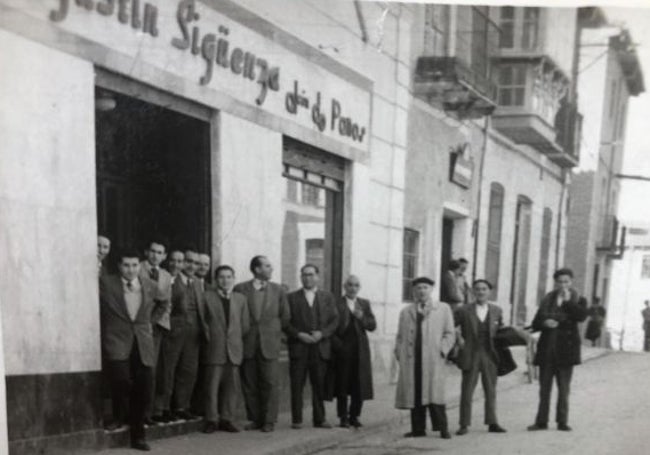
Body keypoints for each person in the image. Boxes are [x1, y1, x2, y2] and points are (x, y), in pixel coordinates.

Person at [99, 247, 166, 451]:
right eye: (126, 265)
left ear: (140, 265)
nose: (131, 270)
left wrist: (148, 322)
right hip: (117, 340)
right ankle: (120, 414)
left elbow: (164, 303)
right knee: (120, 380)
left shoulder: (151, 285)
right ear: (119, 266)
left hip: (143, 342)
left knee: (144, 388)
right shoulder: (106, 283)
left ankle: (138, 436)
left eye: (135, 265)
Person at [234, 255, 290, 432]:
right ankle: (255, 419)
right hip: (247, 343)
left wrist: (277, 337)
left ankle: (269, 420)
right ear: (257, 269)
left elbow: (285, 316)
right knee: (249, 383)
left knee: (270, 383)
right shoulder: (241, 288)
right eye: (267, 266)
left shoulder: (278, 290)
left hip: (269, 344)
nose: (271, 269)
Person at [395, 277, 456, 439]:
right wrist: (400, 353)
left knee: (435, 395)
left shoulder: (442, 309)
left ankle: (443, 428)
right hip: (412, 359)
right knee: (415, 394)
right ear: (414, 291)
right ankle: (418, 429)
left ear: (431, 290)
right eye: (418, 288)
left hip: (432, 358)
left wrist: (442, 350)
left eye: (425, 287)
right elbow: (400, 336)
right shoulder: (407, 311)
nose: (421, 291)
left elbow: (450, 333)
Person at [528, 268, 588, 432]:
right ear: (556, 283)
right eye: (560, 282)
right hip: (547, 349)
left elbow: (581, 316)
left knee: (563, 389)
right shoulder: (548, 299)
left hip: (566, 350)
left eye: (566, 281)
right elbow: (535, 323)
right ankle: (541, 421)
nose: (563, 285)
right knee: (544, 389)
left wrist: (568, 302)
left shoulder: (579, 299)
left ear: (571, 282)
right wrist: (544, 323)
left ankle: (562, 421)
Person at [285, 264, 339, 429]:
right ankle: (297, 419)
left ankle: (320, 419)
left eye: (310, 275)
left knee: (319, 384)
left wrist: (321, 334)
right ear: (300, 277)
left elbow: (334, 320)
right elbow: (285, 322)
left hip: (320, 347)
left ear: (317, 277)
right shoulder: (291, 298)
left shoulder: (327, 297)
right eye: (304, 275)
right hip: (299, 347)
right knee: (297, 384)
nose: (307, 278)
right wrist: (298, 335)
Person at [159, 248, 208, 421]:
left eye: (195, 263)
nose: (191, 265)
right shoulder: (171, 279)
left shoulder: (196, 283)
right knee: (168, 370)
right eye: (188, 261)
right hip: (173, 332)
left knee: (188, 371)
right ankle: (164, 408)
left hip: (193, 334)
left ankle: (181, 407)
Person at [201, 265, 250, 434]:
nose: (225, 280)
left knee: (232, 387)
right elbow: (204, 323)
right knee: (211, 386)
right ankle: (212, 419)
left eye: (229, 277)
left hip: (234, 348)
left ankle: (227, 419)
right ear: (216, 280)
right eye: (221, 277)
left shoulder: (240, 299)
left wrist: (233, 340)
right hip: (214, 347)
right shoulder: (206, 297)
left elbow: (244, 325)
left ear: (233, 279)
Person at [454, 279, 506, 436]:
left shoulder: (497, 310)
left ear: (489, 292)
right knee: (467, 389)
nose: (481, 292)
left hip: (490, 354)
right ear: (472, 292)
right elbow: (451, 326)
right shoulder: (463, 310)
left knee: (491, 389)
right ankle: (464, 424)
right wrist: (458, 339)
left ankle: (492, 422)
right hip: (471, 353)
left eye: (484, 289)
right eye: (477, 289)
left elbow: (501, 331)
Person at [331, 275, 376, 428]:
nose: (353, 288)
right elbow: (331, 326)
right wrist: (338, 345)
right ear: (345, 286)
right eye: (350, 285)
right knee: (342, 383)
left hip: (360, 349)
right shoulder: (337, 303)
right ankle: (343, 417)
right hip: (343, 349)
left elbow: (372, 325)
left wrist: (362, 316)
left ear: (359, 288)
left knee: (359, 383)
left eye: (356, 285)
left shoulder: (364, 304)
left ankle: (355, 416)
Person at [138, 240, 173, 425]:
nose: (155, 255)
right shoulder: (137, 268)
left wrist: (156, 322)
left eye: (159, 252)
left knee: (154, 371)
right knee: (140, 370)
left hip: (157, 327)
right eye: (152, 251)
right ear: (146, 252)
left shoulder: (166, 276)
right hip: (137, 325)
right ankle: (137, 413)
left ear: (164, 256)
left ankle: (150, 412)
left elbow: (166, 302)